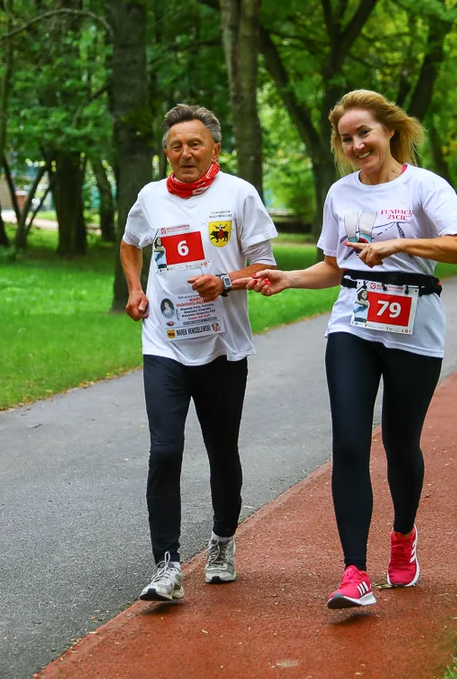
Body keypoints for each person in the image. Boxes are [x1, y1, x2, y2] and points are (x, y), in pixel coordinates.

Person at [246, 89, 457, 609]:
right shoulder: (341, 195)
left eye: (364, 133)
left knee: (401, 445)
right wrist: (287, 278)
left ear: (389, 131)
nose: (356, 144)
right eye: (346, 138)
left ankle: (403, 535)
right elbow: (334, 266)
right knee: (349, 443)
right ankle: (354, 571)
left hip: (415, 328)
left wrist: (400, 245)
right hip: (353, 323)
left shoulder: (425, 187)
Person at [120, 104, 278, 602]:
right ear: (164, 153)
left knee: (221, 451)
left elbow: (265, 266)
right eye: (175, 146)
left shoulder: (239, 193)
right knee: (165, 450)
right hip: (164, 343)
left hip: (223, 346)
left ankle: (222, 542)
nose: (184, 153)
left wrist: (227, 281)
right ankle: (166, 564)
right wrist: (133, 289)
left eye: (194, 144)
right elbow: (130, 244)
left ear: (214, 146)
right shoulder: (150, 197)